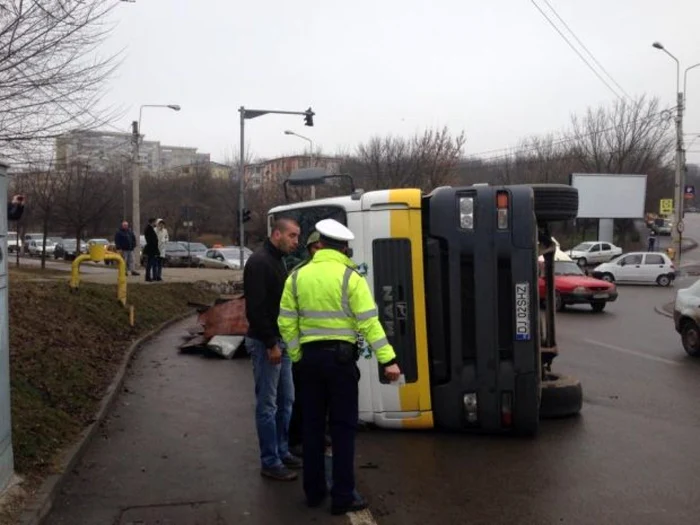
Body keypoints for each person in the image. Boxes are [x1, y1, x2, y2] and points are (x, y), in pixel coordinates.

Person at [278, 218, 401, 515]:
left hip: (309, 363)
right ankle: (343, 496)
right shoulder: (351, 277)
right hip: (341, 362)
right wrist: (389, 360)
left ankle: (314, 492)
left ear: (318, 245)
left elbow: (285, 322)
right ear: (343, 247)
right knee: (343, 429)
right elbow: (370, 322)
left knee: (311, 427)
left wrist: (296, 356)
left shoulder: (297, 277)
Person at [244, 217, 302, 481]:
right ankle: (270, 460)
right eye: (292, 236)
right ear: (276, 234)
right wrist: (270, 343)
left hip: (283, 341)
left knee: (286, 401)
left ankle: (281, 450)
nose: (296, 242)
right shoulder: (259, 263)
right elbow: (255, 310)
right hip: (267, 343)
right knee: (268, 404)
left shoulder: (278, 260)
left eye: (297, 236)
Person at [288, 231, 323, 456]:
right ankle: (296, 439)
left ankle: (320, 433)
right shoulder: (298, 273)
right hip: (304, 346)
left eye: (323, 248)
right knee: (300, 397)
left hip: (328, 347)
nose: (319, 252)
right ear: (309, 250)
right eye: (315, 248)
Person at [143, 218, 159, 282]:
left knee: (151, 263)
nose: (155, 223)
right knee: (150, 264)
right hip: (151, 249)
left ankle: (150, 277)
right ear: (152, 222)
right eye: (155, 222)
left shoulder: (150, 228)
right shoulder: (149, 229)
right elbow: (151, 240)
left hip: (152, 248)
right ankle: (148, 277)